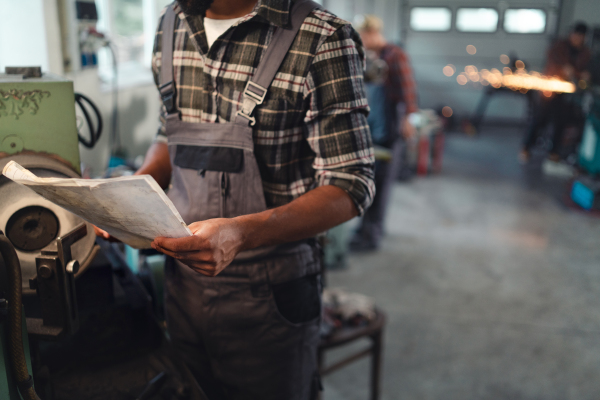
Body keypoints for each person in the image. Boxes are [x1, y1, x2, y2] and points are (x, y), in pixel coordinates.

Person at [96, 0, 375, 398]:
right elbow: (169, 134)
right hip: (183, 288)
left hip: (271, 296)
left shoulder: (323, 38)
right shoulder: (172, 23)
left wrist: (242, 233)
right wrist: (130, 195)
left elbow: (352, 184)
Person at [349, 15, 418, 251]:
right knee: (371, 180)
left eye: (362, 38)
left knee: (381, 183)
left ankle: (371, 235)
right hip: (376, 128)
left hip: (391, 128)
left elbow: (409, 91)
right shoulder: (376, 58)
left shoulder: (395, 55)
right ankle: (367, 228)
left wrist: (408, 119)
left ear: (370, 34)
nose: (362, 43)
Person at [520, 22, 591, 163]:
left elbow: (583, 69)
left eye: (581, 37)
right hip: (549, 90)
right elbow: (553, 57)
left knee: (561, 122)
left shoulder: (585, 52)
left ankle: (553, 152)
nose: (578, 40)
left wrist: (582, 74)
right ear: (572, 34)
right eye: (576, 36)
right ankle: (526, 148)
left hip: (566, 93)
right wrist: (566, 68)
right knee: (540, 119)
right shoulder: (560, 46)